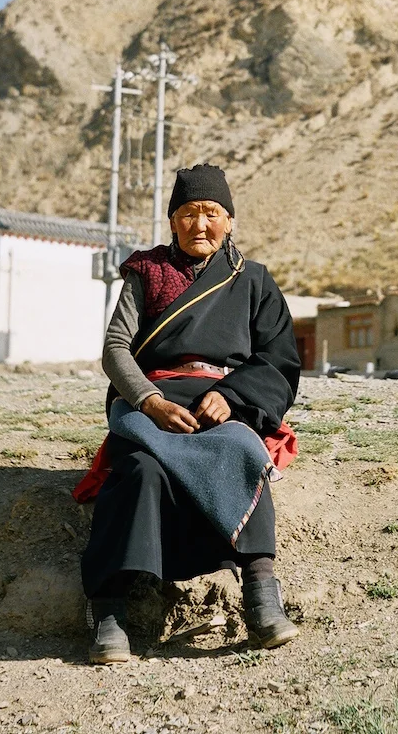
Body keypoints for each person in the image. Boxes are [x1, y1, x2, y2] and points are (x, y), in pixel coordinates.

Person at [79, 162, 302, 663]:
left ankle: (262, 595)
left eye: (211, 213)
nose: (200, 225)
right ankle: (109, 611)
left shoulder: (254, 281)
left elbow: (279, 358)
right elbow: (116, 348)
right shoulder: (146, 272)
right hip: (155, 399)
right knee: (138, 468)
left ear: (230, 221)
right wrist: (148, 401)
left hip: (222, 404)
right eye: (188, 213)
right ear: (172, 221)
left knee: (243, 451)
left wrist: (234, 396)